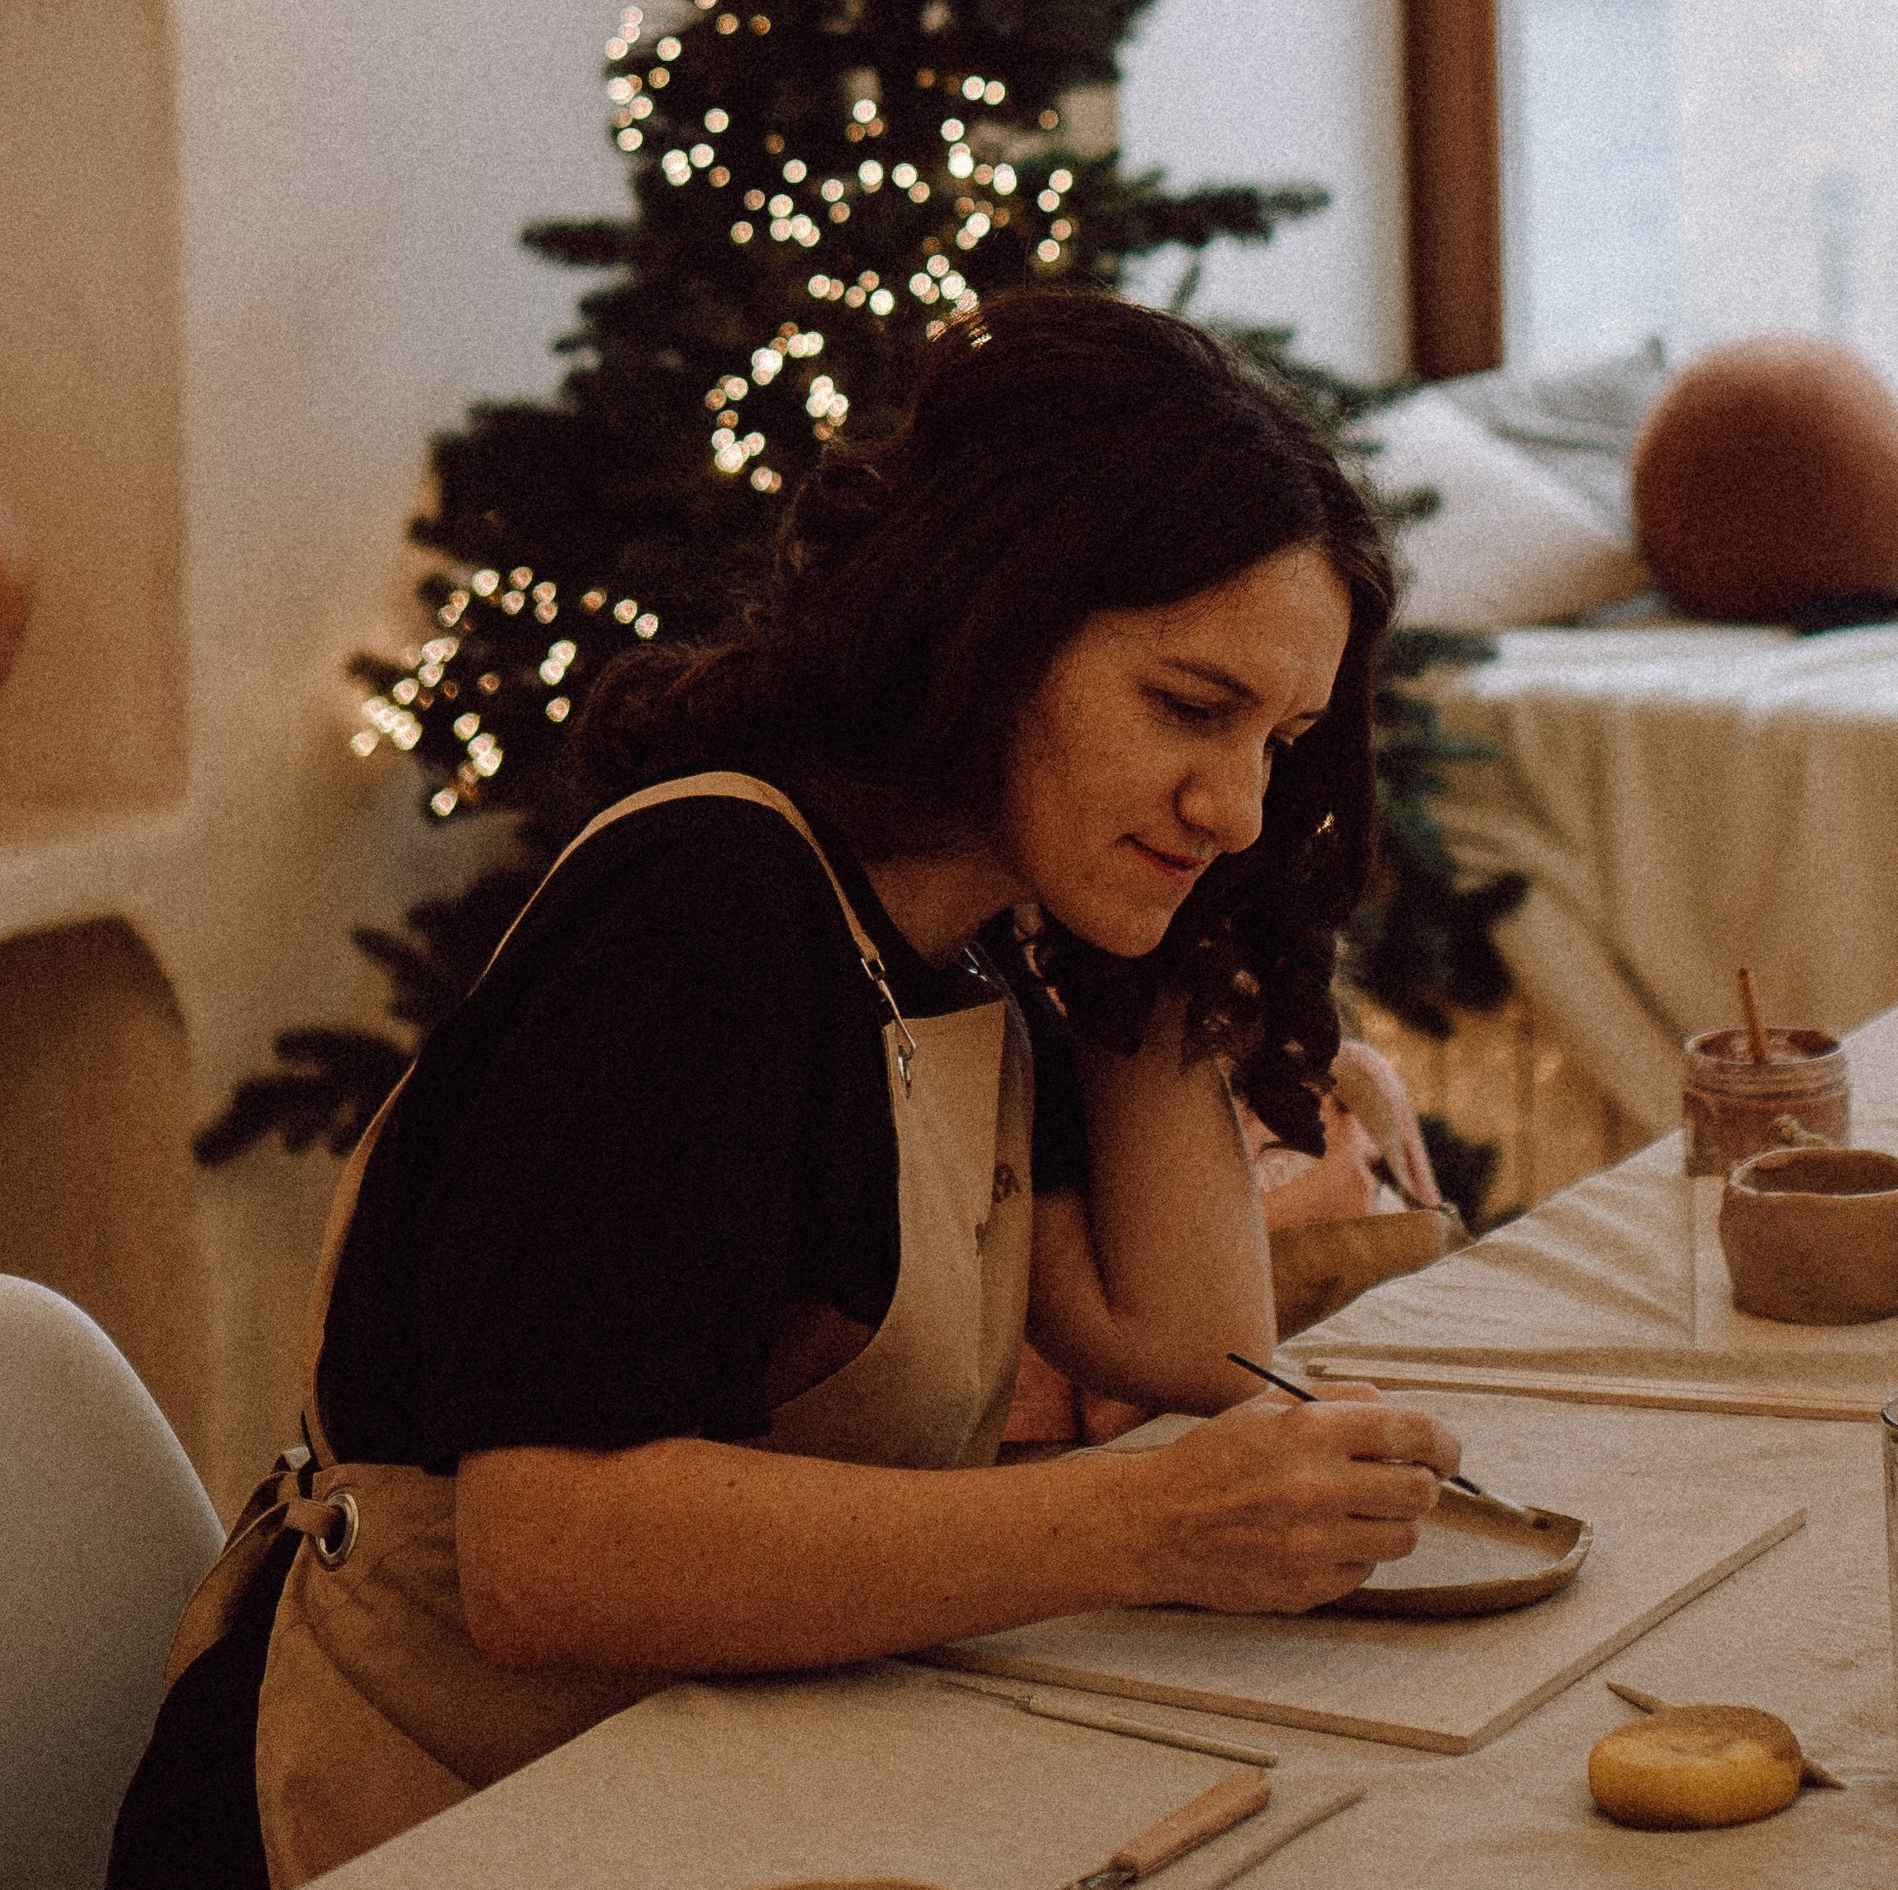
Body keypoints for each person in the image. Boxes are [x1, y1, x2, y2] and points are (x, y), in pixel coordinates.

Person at [114, 292, 1459, 1887]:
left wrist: (1172, 908)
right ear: (997, 619)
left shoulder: (969, 935)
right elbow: (546, 1556)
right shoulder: (713, 912)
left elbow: (1186, 1341)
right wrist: (1141, 1527)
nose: (1243, 801)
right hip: (402, 1820)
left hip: (688, 1778)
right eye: (1189, 707)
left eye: (1285, 742)